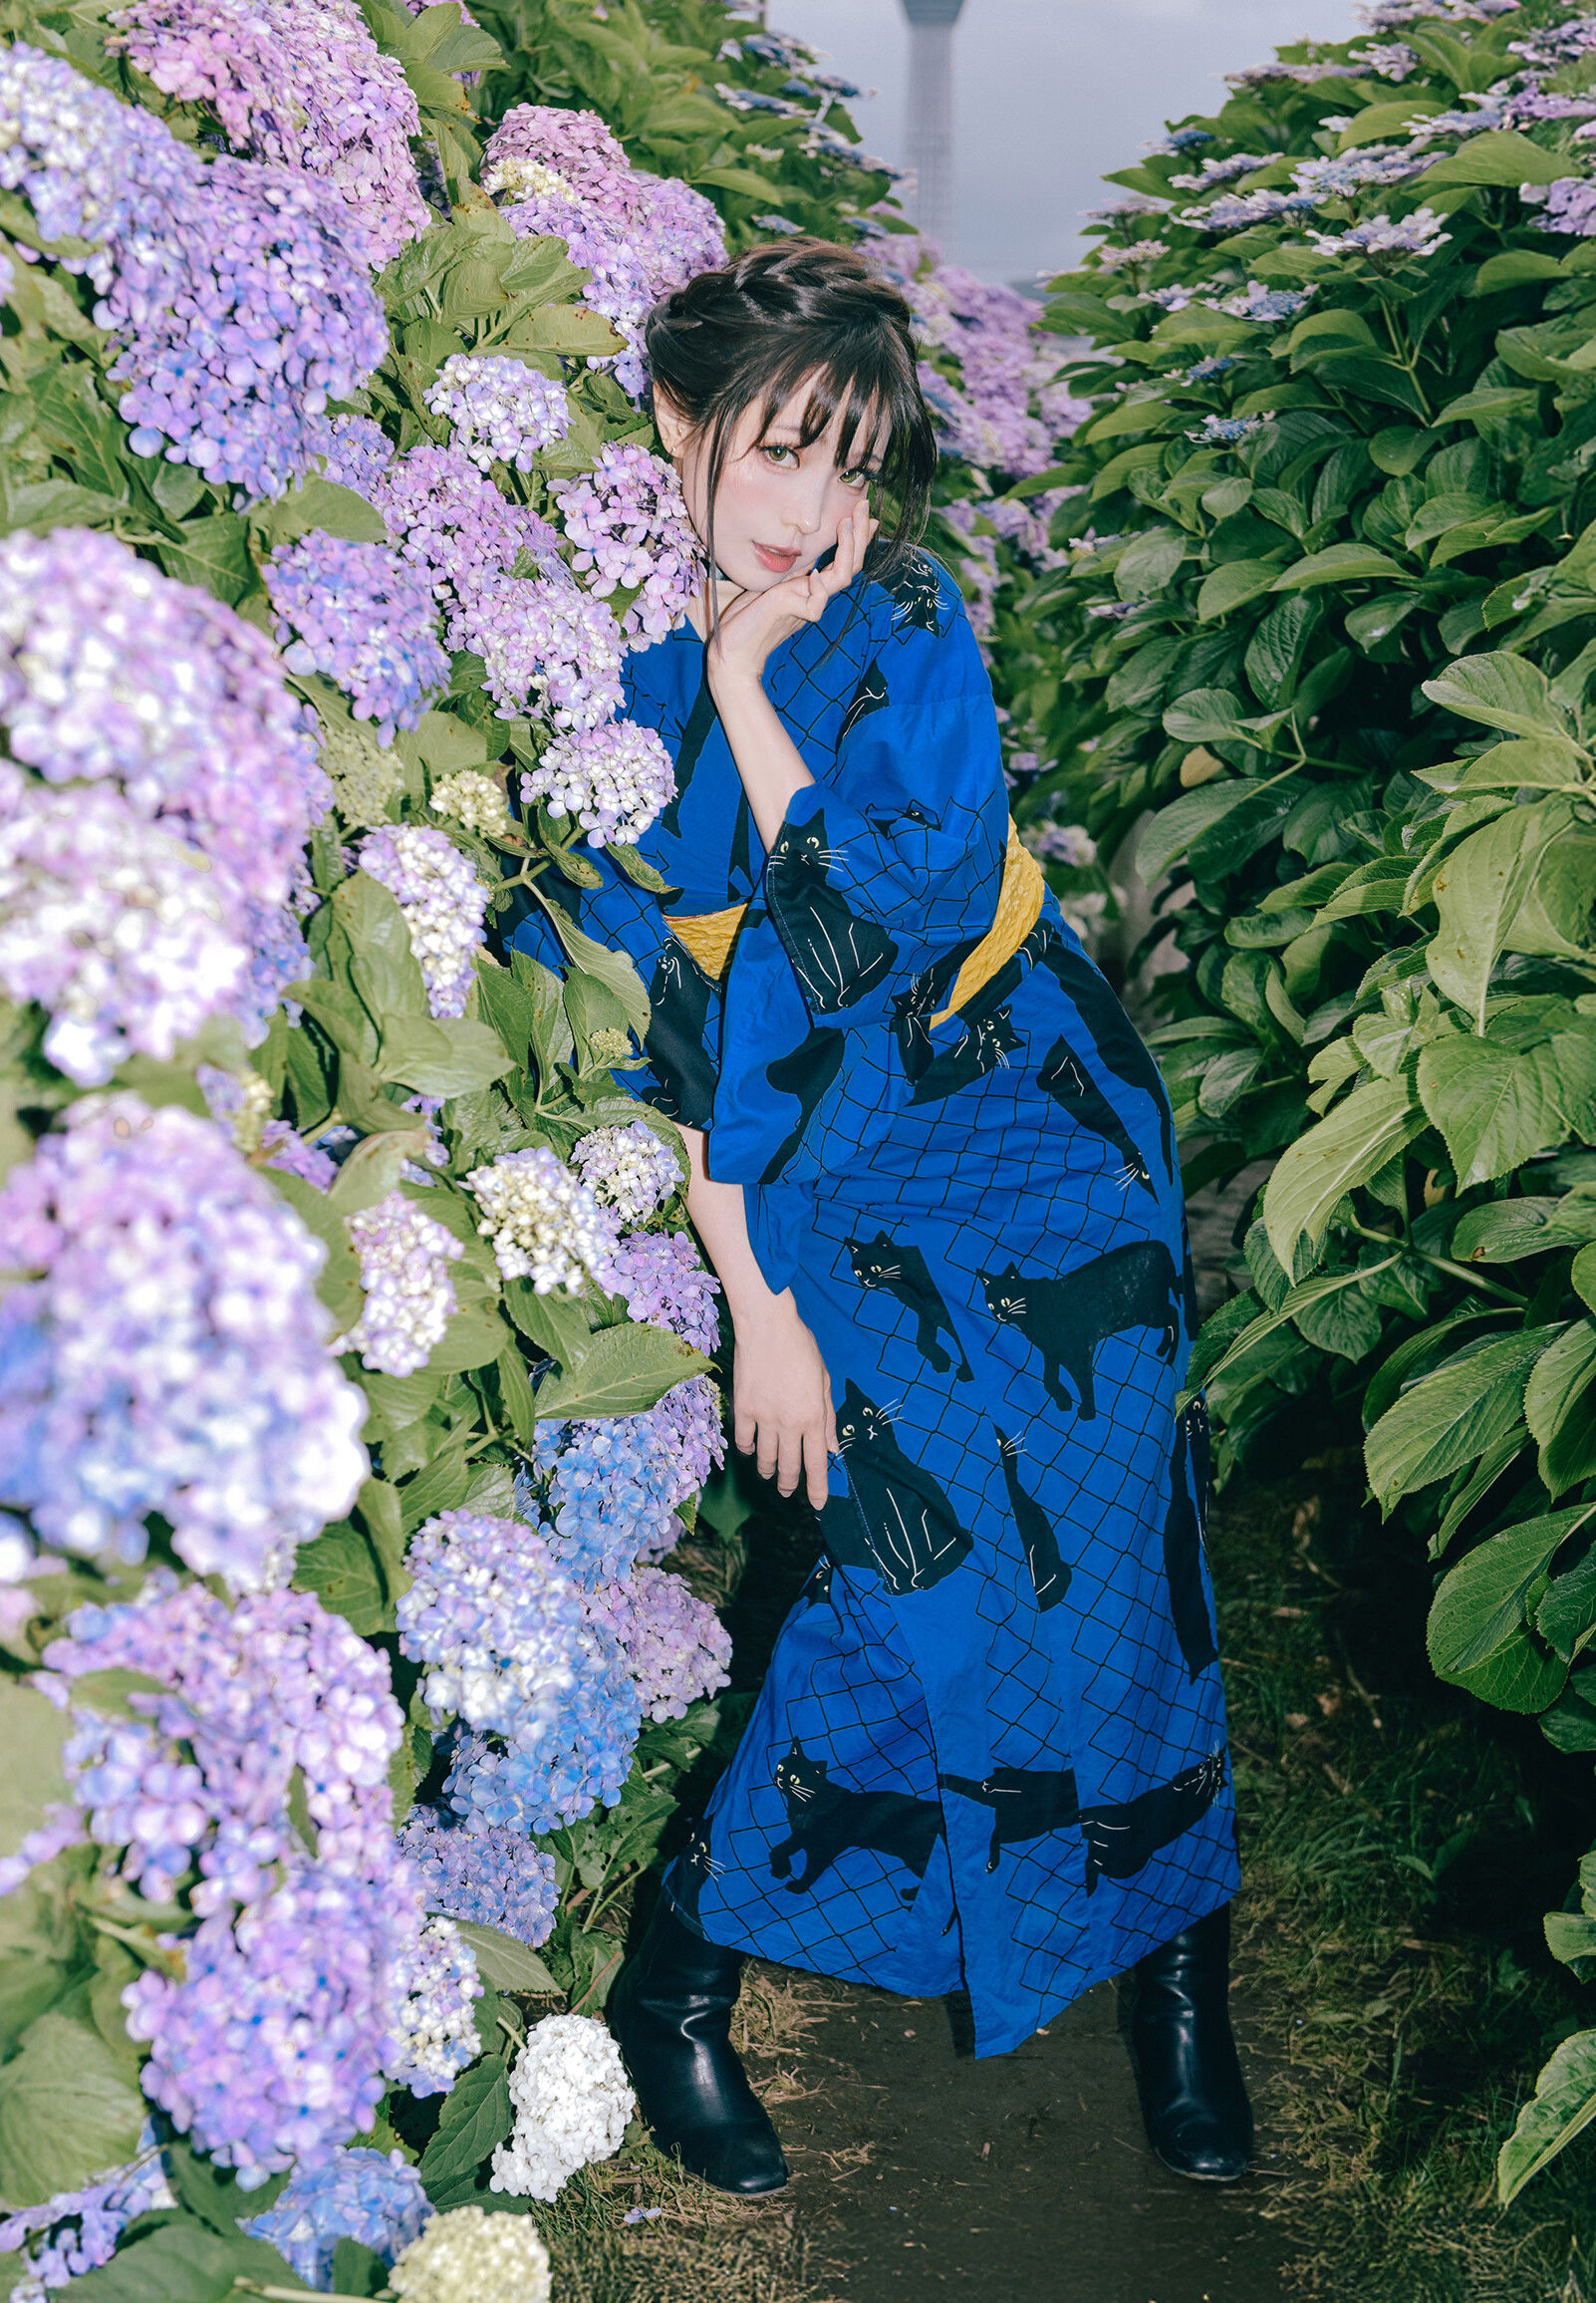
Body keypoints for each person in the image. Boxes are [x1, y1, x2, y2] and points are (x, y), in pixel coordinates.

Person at [516, 237, 1251, 2195]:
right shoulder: (594, 680)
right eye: (776, 449)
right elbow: (671, 1032)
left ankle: (1184, 1972)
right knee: (896, 1556)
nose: (812, 506)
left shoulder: (905, 616)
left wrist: (753, 686)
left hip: (1025, 1108)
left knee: (1115, 1511)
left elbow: (900, 921)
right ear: (674, 419)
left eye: (848, 461)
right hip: (809, 1173)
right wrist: (760, 1309)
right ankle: (682, 1977)